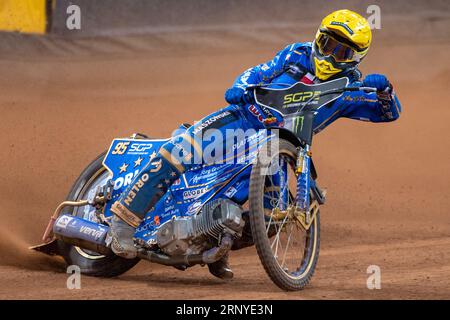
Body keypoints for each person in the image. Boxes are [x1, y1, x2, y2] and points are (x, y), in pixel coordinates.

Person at [109, 9, 401, 279]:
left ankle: (211, 244)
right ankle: (123, 224)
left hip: (279, 147)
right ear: (317, 39)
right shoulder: (296, 55)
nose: (331, 55)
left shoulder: (349, 89)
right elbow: (257, 73)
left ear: (356, 57)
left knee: (272, 216)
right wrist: (240, 87)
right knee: (181, 152)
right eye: (327, 44)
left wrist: (385, 91)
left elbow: (389, 114)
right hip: (244, 120)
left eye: (342, 52)